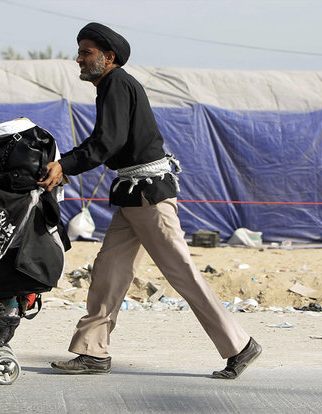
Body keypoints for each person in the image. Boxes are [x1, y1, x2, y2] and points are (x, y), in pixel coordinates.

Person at [38, 22, 261, 379]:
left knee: (182, 274)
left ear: (108, 58)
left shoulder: (115, 84)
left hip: (149, 196)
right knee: (109, 273)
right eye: (79, 52)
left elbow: (106, 141)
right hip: (133, 196)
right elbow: (109, 142)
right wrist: (66, 165)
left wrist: (64, 164)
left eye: (86, 52)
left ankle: (240, 345)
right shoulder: (111, 86)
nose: (78, 59)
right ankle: (93, 352)